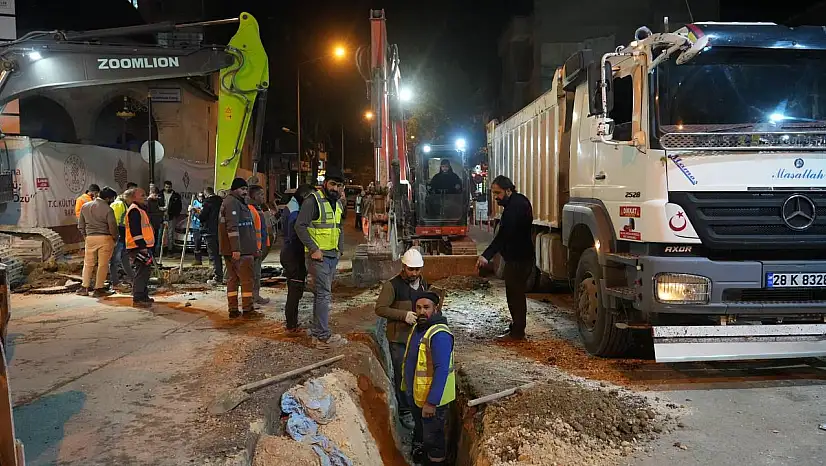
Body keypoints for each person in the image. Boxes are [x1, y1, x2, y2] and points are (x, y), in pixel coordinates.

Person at [375, 248, 441, 430]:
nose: (414, 273)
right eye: (411, 269)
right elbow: (380, 308)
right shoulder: (392, 286)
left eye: (417, 269)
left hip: (418, 338)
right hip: (399, 339)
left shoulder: (422, 283)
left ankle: (418, 405)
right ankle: (404, 410)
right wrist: (403, 315)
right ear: (404, 267)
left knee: (417, 374)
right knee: (402, 374)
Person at [476, 175, 534, 341]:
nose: (496, 197)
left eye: (498, 193)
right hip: (521, 257)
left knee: (514, 295)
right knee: (516, 294)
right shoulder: (519, 202)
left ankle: (517, 332)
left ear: (508, 190)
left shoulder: (513, 208)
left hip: (518, 259)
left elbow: (503, 236)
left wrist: (486, 256)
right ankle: (516, 328)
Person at [401, 290, 455, 466]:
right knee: (424, 431)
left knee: (434, 439)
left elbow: (441, 370)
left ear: (436, 309)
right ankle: (422, 454)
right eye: (418, 307)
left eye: (426, 307)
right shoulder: (419, 328)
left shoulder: (439, 334)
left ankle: (436, 462)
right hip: (418, 396)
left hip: (432, 401)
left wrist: (431, 402)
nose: (422, 311)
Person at [296, 166, 347, 349]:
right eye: (333, 184)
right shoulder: (313, 201)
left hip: (332, 255)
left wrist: (340, 249)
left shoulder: (338, 203)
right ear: (325, 183)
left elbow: (338, 227)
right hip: (319, 257)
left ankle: (318, 330)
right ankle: (322, 336)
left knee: (321, 294)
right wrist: (313, 249)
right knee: (324, 295)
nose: (335, 188)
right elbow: (299, 226)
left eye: (339, 185)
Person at [219, 177, 260, 318]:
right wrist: (236, 249)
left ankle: (234, 309)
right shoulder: (233, 203)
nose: (245, 192)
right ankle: (247, 309)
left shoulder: (235, 202)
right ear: (234, 189)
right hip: (240, 251)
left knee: (233, 279)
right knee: (246, 280)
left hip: (239, 250)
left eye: (246, 189)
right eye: (242, 189)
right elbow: (232, 228)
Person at [281, 184, 314, 332]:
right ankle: (291, 325)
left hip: (291, 252)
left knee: (295, 288)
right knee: (294, 290)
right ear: (304, 196)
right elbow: (296, 233)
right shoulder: (295, 212)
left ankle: (292, 322)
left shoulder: (293, 206)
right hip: (292, 254)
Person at [77, 186, 119, 297]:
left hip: (90, 238)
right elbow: (113, 227)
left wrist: (86, 236)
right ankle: (98, 289)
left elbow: (81, 225)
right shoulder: (108, 209)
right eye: (112, 199)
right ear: (108, 198)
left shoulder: (85, 206)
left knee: (88, 263)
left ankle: (84, 287)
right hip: (105, 238)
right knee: (103, 265)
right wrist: (115, 238)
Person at [124, 187, 155, 308]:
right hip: (138, 247)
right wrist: (142, 247)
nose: (145, 197)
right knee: (141, 271)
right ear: (134, 197)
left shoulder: (140, 209)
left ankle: (143, 295)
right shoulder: (134, 210)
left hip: (142, 246)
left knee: (145, 271)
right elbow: (135, 231)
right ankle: (138, 297)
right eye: (142, 195)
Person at [109, 183, 137, 290]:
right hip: (119, 237)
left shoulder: (124, 204)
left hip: (124, 237)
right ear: (129, 198)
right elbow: (114, 223)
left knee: (125, 259)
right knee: (115, 261)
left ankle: (133, 278)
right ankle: (115, 282)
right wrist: (117, 237)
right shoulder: (118, 205)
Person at [248, 185, 270, 306]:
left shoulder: (257, 209)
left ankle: (254, 296)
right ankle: (252, 297)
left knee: (257, 274)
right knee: (254, 274)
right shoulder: (251, 210)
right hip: (254, 248)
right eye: (261, 195)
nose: (263, 197)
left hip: (259, 247)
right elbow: (250, 231)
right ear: (254, 196)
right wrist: (255, 248)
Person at [199, 187, 224, 286]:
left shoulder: (207, 202)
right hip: (221, 231)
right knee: (222, 254)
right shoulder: (221, 202)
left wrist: (195, 212)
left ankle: (218, 277)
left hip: (210, 232)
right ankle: (226, 275)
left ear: (205, 194)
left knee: (214, 255)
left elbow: (202, 217)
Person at [158, 180, 183, 257]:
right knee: (160, 233)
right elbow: (155, 205)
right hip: (161, 216)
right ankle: (158, 250)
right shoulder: (160, 194)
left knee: (170, 234)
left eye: (169, 187)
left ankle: (170, 250)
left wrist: (176, 214)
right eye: (166, 187)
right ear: (164, 186)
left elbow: (179, 206)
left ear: (171, 187)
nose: (167, 188)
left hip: (171, 216)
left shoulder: (176, 195)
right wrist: (160, 209)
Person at [146, 186, 164, 256]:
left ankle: (152, 258)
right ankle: (150, 258)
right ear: (151, 193)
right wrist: (159, 212)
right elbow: (148, 214)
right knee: (151, 243)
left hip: (156, 224)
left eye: (157, 195)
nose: (157, 197)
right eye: (155, 195)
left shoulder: (156, 202)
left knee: (155, 242)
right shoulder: (148, 202)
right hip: (150, 225)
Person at [188, 192, 205, 265]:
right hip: (196, 225)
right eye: (199, 197)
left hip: (203, 225)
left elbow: (202, 212)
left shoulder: (205, 203)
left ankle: (211, 260)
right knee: (197, 243)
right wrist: (191, 210)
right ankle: (197, 260)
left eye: (202, 197)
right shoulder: (194, 202)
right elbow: (191, 212)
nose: (201, 198)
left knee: (207, 243)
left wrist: (196, 210)